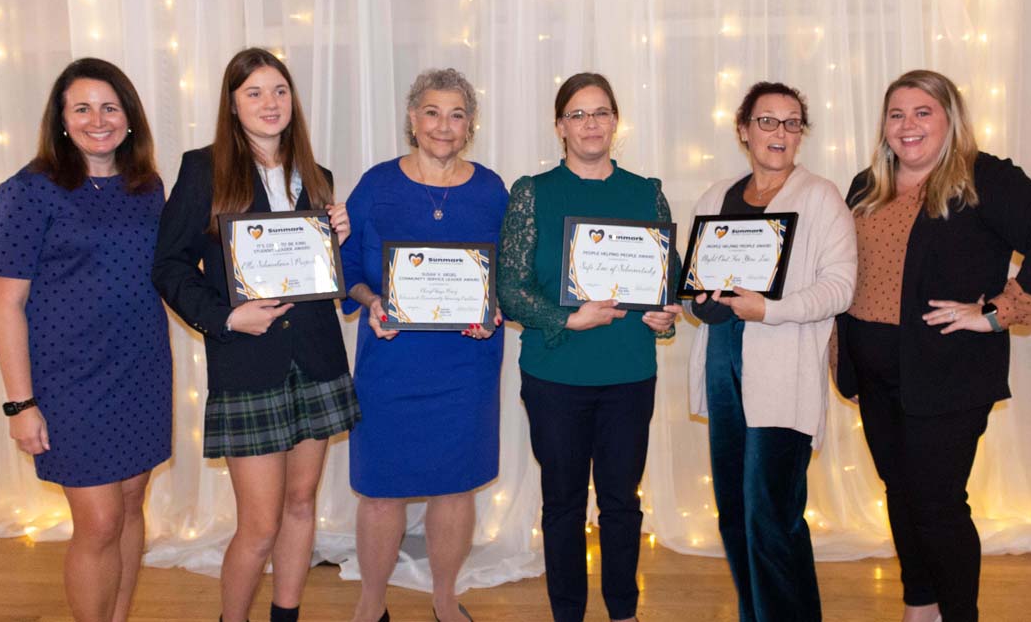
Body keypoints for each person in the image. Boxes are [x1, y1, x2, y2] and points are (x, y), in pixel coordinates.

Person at [835, 69, 1031, 622]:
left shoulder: (982, 177)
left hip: (946, 377)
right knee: (900, 496)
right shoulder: (866, 185)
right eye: (896, 113)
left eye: (923, 111)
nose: (908, 125)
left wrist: (996, 314)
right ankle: (919, 606)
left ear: (951, 118)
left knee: (938, 506)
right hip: (875, 374)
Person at [152, 48, 358, 622]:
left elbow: (323, 283)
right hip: (248, 363)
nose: (270, 104)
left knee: (300, 506)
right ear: (233, 104)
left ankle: (285, 616)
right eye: (254, 93)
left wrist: (336, 241)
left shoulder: (319, 177)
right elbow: (168, 267)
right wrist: (225, 317)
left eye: (280, 91)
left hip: (316, 361)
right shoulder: (203, 168)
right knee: (260, 524)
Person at [0, 57, 172, 622]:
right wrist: (21, 404)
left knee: (131, 505)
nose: (98, 119)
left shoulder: (148, 186)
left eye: (110, 107)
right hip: (70, 381)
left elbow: (172, 267)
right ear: (62, 119)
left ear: (130, 117)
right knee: (98, 523)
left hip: (141, 369)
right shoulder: (30, 190)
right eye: (83, 108)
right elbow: (5, 302)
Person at [497, 72, 681, 622]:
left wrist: (665, 318)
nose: (591, 123)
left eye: (601, 112)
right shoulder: (533, 192)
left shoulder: (646, 190)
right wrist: (565, 319)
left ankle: (624, 611)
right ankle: (568, 613)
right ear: (560, 127)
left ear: (615, 122)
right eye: (578, 114)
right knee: (563, 506)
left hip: (628, 373)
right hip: (556, 373)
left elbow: (665, 281)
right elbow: (510, 286)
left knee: (622, 504)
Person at [686, 82, 857, 622]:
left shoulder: (820, 197)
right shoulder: (715, 197)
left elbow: (840, 288)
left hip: (783, 373)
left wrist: (770, 309)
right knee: (735, 513)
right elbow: (695, 290)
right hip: (722, 366)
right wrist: (700, 304)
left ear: (801, 133)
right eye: (767, 122)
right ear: (743, 130)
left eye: (791, 123)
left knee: (773, 516)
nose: (779, 133)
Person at [341, 68, 507, 622]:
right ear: (412, 119)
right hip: (391, 362)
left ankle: (442, 595)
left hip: (466, 363)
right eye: (432, 112)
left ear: (470, 126)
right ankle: (371, 601)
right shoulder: (376, 185)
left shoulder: (491, 189)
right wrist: (369, 301)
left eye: (457, 114)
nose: (444, 124)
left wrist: (495, 311)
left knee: (455, 487)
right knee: (381, 490)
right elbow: (349, 271)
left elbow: (503, 274)